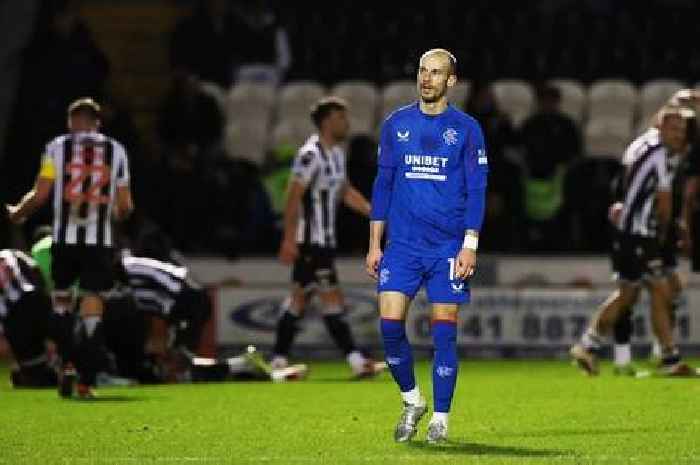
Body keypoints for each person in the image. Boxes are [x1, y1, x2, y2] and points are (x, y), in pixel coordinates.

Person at [366, 49, 488, 443]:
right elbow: (382, 185)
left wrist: (469, 245)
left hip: (448, 249)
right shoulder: (395, 124)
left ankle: (440, 417)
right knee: (388, 327)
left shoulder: (467, 129)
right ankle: (412, 399)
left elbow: (478, 191)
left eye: (436, 73)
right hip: (401, 246)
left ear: (451, 81)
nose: (427, 78)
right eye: (422, 70)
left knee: (443, 334)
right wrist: (373, 243)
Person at [6, 97, 134, 398]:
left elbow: (40, 195)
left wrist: (16, 213)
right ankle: (87, 381)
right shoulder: (116, 150)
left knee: (61, 304)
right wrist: (113, 214)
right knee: (92, 307)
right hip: (98, 243)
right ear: (97, 122)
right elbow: (125, 205)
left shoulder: (55, 148)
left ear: (70, 121)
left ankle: (66, 367)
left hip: (63, 240)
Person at [570, 105, 694, 377]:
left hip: (629, 230)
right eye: (673, 129)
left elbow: (627, 177)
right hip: (639, 233)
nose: (678, 135)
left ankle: (589, 346)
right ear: (660, 127)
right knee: (657, 289)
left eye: (682, 131)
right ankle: (667, 358)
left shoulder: (643, 144)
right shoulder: (661, 155)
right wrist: (663, 234)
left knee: (634, 293)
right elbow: (664, 202)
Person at [271, 96, 384, 378]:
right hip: (311, 242)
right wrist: (288, 239)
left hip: (324, 242)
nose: (346, 124)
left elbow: (344, 190)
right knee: (331, 299)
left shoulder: (335, 154)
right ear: (326, 122)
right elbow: (292, 197)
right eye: (341, 118)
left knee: (299, 300)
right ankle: (356, 361)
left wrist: (372, 211)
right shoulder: (310, 154)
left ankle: (278, 361)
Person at [0, 249, 58, 387]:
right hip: (34, 298)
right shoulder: (14, 254)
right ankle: (59, 367)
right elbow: (37, 272)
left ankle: (51, 368)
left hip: (18, 307)